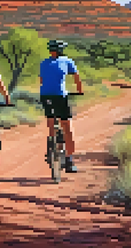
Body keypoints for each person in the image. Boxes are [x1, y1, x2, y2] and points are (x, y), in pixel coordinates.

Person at [39, 39, 83, 173]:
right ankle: (69, 160)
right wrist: (79, 91)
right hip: (60, 96)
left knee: (51, 120)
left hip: (45, 95)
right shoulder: (67, 61)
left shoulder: (43, 63)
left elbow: (41, 80)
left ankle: (51, 145)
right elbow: (76, 76)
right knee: (67, 126)